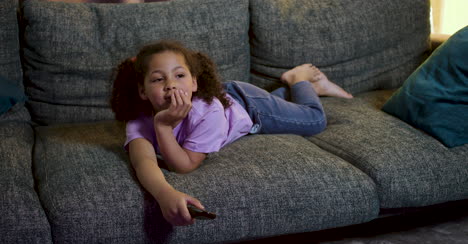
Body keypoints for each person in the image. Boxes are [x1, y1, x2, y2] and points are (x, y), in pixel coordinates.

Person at [110, 40, 353, 226]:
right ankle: (286, 93)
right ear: (143, 91)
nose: (171, 85)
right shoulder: (139, 122)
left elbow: (183, 165)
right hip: (236, 100)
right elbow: (144, 162)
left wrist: (162, 126)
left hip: (250, 106)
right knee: (287, 108)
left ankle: (300, 79)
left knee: (314, 119)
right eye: (158, 79)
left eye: (180, 75)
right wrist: (165, 194)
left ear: (194, 83)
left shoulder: (207, 112)